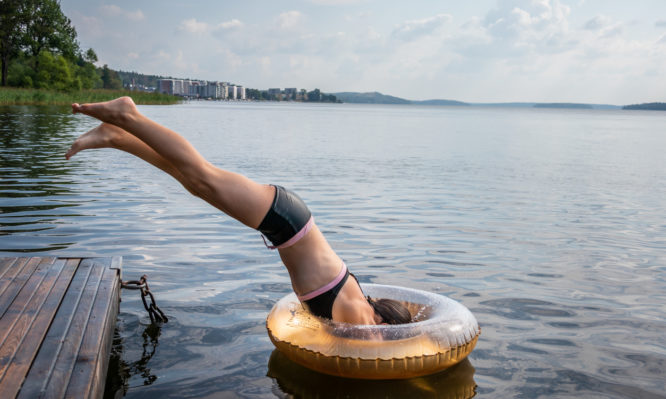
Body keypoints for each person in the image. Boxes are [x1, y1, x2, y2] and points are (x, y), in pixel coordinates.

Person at [66, 96, 411, 325]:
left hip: (285, 225)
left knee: (194, 181)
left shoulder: (358, 305)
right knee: (203, 174)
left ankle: (118, 136)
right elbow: (359, 349)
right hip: (288, 221)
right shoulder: (361, 318)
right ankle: (128, 114)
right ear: (383, 323)